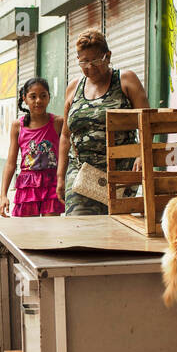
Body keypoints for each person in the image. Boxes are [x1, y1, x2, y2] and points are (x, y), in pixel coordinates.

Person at [57, 30, 149, 215]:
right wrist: (60, 176)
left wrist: (141, 155)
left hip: (120, 173)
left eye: (96, 61)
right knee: (79, 225)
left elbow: (147, 122)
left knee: (117, 229)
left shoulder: (125, 80)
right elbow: (66, 136)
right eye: (83, 62)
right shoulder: (74, 88)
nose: (90, 67)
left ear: (107, 56)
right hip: (81, 172)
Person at [0, 77, 65, 216]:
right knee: (29, 233)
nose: (38, 101)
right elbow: (11, 163)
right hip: (27, 185)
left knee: (51, 231)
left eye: (43, 96)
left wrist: (62, 180)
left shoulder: (58, 122)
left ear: (49, 97)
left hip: (52, 183)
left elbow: (67, 154)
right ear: (25, 98)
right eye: (33, 96)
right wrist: (3, 195)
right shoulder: (18, 126)